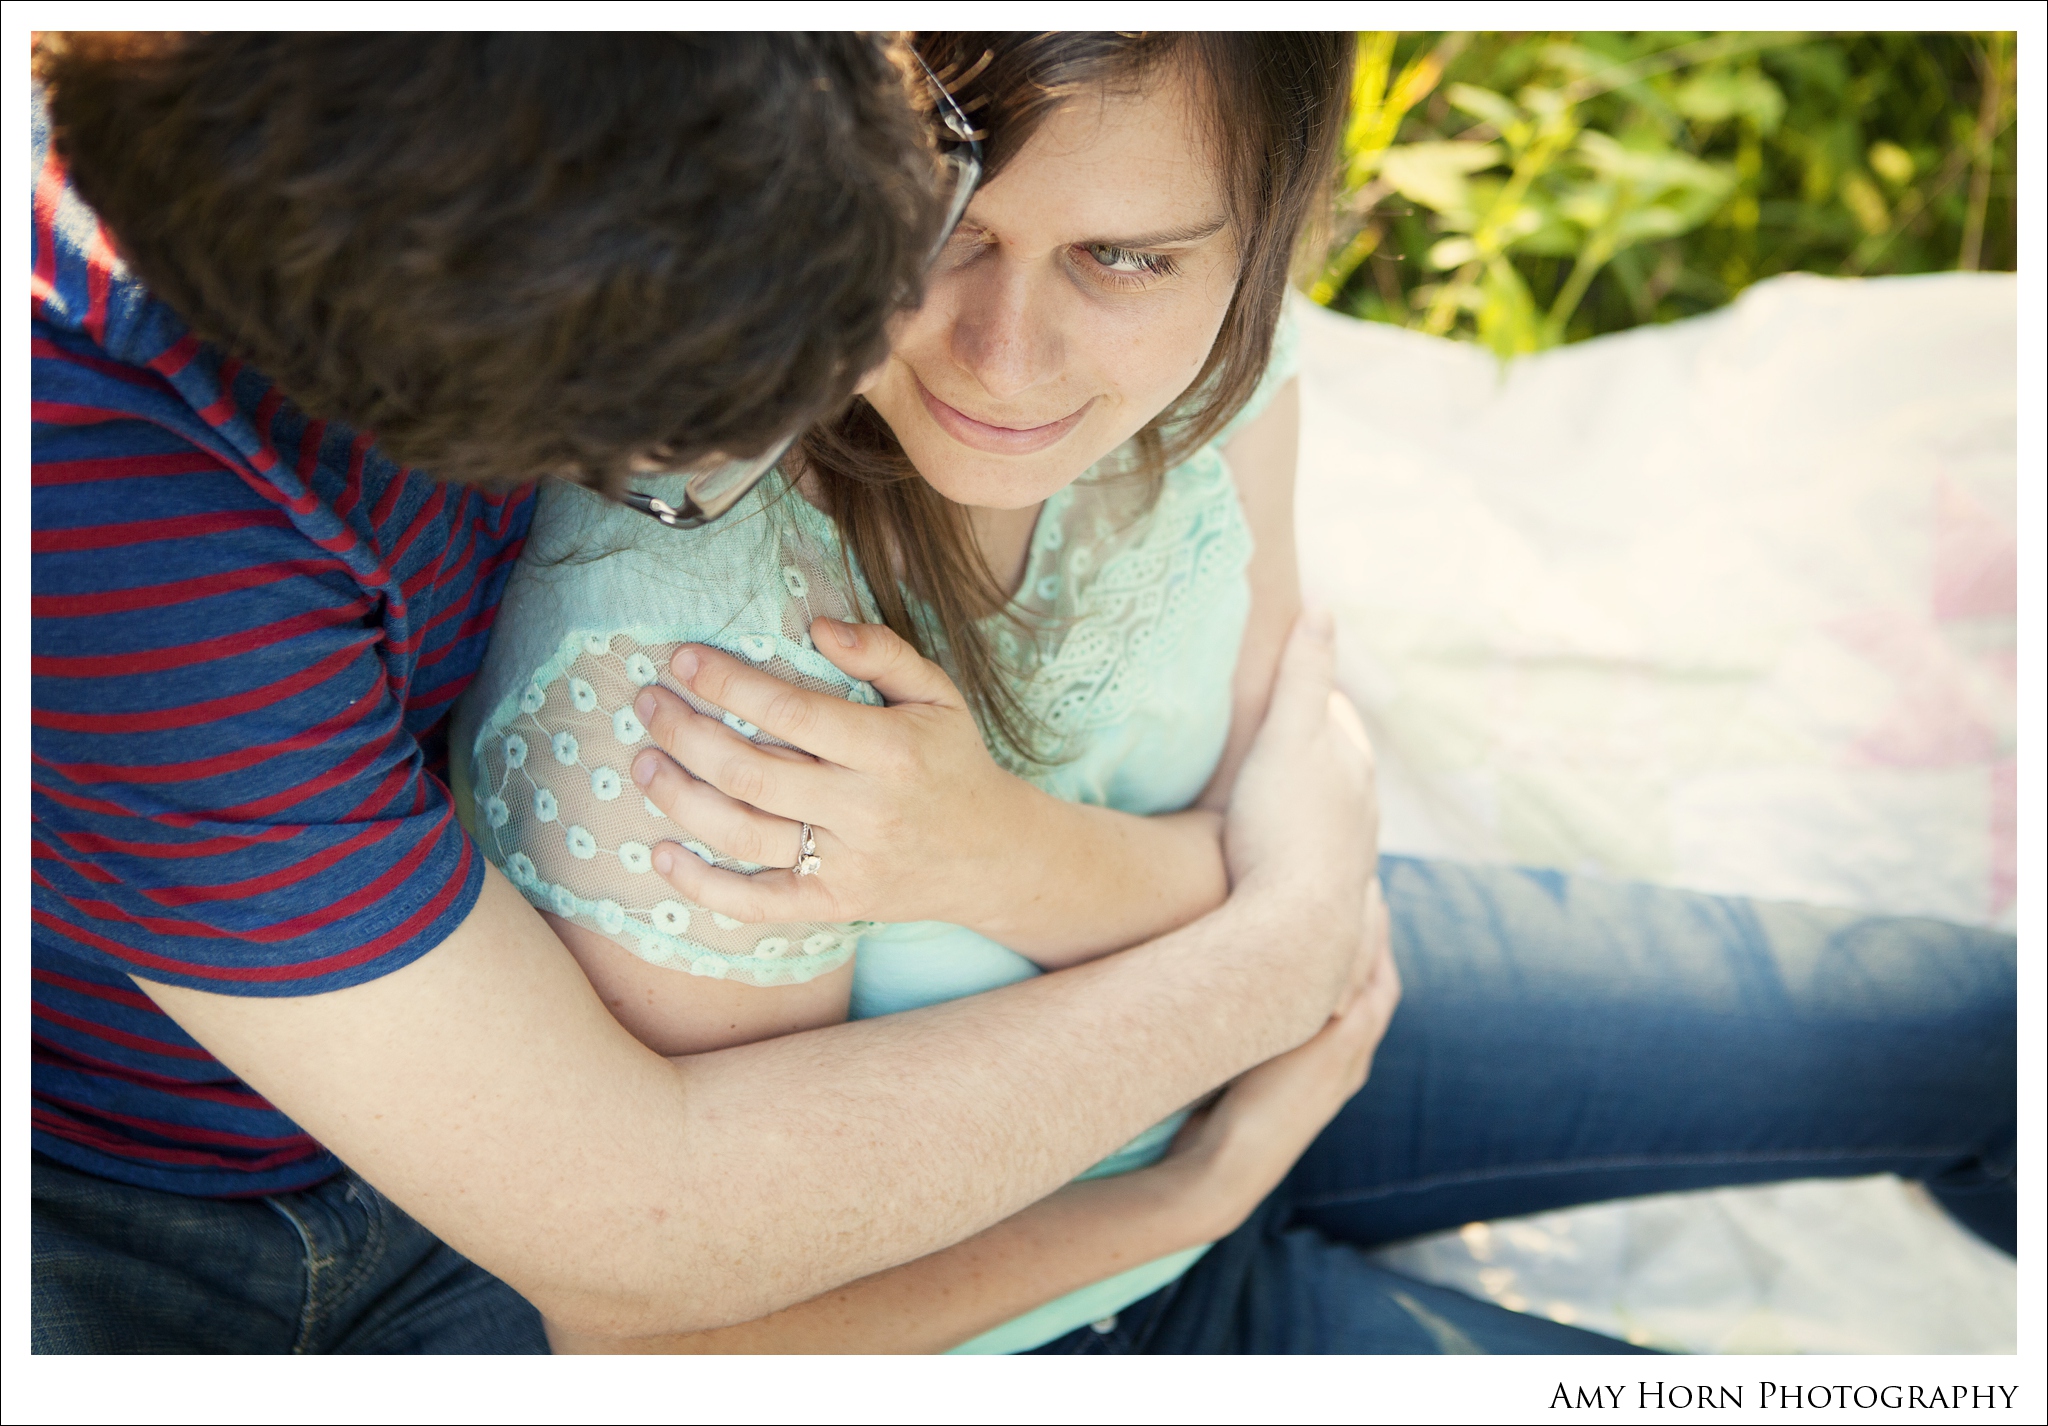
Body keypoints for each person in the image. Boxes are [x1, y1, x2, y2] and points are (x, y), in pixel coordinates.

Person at [456, 29, 2018, 1355]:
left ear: (1265, 232)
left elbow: (1284, 727)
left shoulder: (1210, 362)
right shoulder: (692, 670)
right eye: (942, 236)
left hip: (1325, 1008)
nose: (1008, 357)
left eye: (1122, 256)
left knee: (1996, 1037)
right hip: (1052, 1311)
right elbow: (694, 1336)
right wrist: (1191, 1174)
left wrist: (1012, 856)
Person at [28, 31, 1386, 1354]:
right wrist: (1259, 1004)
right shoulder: (127, 530)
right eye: (695, 443)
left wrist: (1169, 890)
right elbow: (636, 1244)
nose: (983, 360)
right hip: (213, 1207)